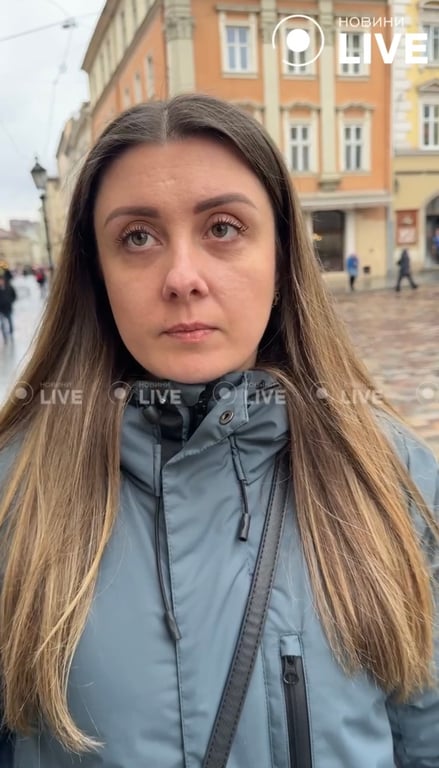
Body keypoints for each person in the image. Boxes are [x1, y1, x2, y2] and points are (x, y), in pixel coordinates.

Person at [0, 94, 438, 768]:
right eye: (137, 237)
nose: (182, 278)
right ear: (96, 272)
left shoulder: (391, 474)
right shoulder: (14, 490)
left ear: (281, 255)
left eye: (224, 227)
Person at [0, 274, 16, 342]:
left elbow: (14, 295)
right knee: (2, 323)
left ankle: (11, 333)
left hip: (8, 307)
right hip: (1, 309)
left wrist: (10, 301)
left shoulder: (9, 287)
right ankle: (4, 336)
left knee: (10, 321)